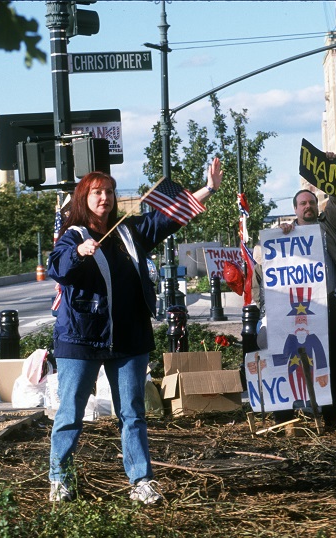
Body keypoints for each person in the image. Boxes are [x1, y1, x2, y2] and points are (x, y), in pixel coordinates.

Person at [47, 159, 222, 504]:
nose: (105, 198)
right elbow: (58, 267)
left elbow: (167, 219)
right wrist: (80, 252)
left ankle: (141, 481)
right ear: (84, 198)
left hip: (128, 338)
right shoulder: (73, 236)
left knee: (133, 414)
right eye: (97, 192)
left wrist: (209, 189)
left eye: (110, 192)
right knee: (69, 414)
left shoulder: (130, 230)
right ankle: (59, 479)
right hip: (80, 339)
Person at [272, 187, 336, 428]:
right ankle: (285, 417)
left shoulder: (328, 227)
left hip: (326, 302)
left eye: (311, 202)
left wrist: (333, 177)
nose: (308, 206)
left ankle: (331, 415)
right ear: (295, 209)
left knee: (331, 356)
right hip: (296, 306)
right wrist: (282, 233)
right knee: (292, 357)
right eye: (303, 203)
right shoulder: (286, 233)